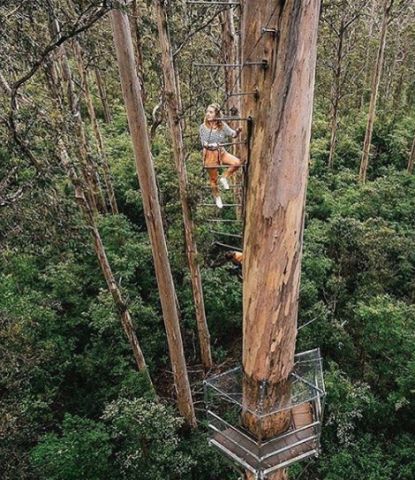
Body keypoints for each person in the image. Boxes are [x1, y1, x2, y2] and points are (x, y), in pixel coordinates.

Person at [199, 103, 242, 208]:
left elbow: (232, 134)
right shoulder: (203, 127)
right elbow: (203, 143)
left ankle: (224, 177)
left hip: (221, 152)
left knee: (237, 163)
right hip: (210, 154)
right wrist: (211, 145)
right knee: (213, 179)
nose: (208, 114)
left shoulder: (221, 125)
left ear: (216, 114)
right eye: (207, 112)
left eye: (211, 112)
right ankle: (217, 196)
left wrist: (237, 131)